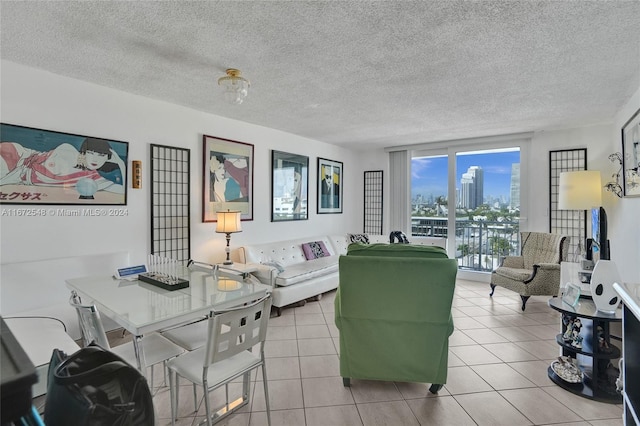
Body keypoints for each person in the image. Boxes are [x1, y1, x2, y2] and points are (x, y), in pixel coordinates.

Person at [1, 138, 125, 193]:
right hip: (17, 157)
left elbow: (122, 191)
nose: (95, 159)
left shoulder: (93, 177)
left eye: (101, 155)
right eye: (91, 153)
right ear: (83, 152)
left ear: (108, 158)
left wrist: (121, 164)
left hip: (16, 174)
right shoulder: (68, 151)